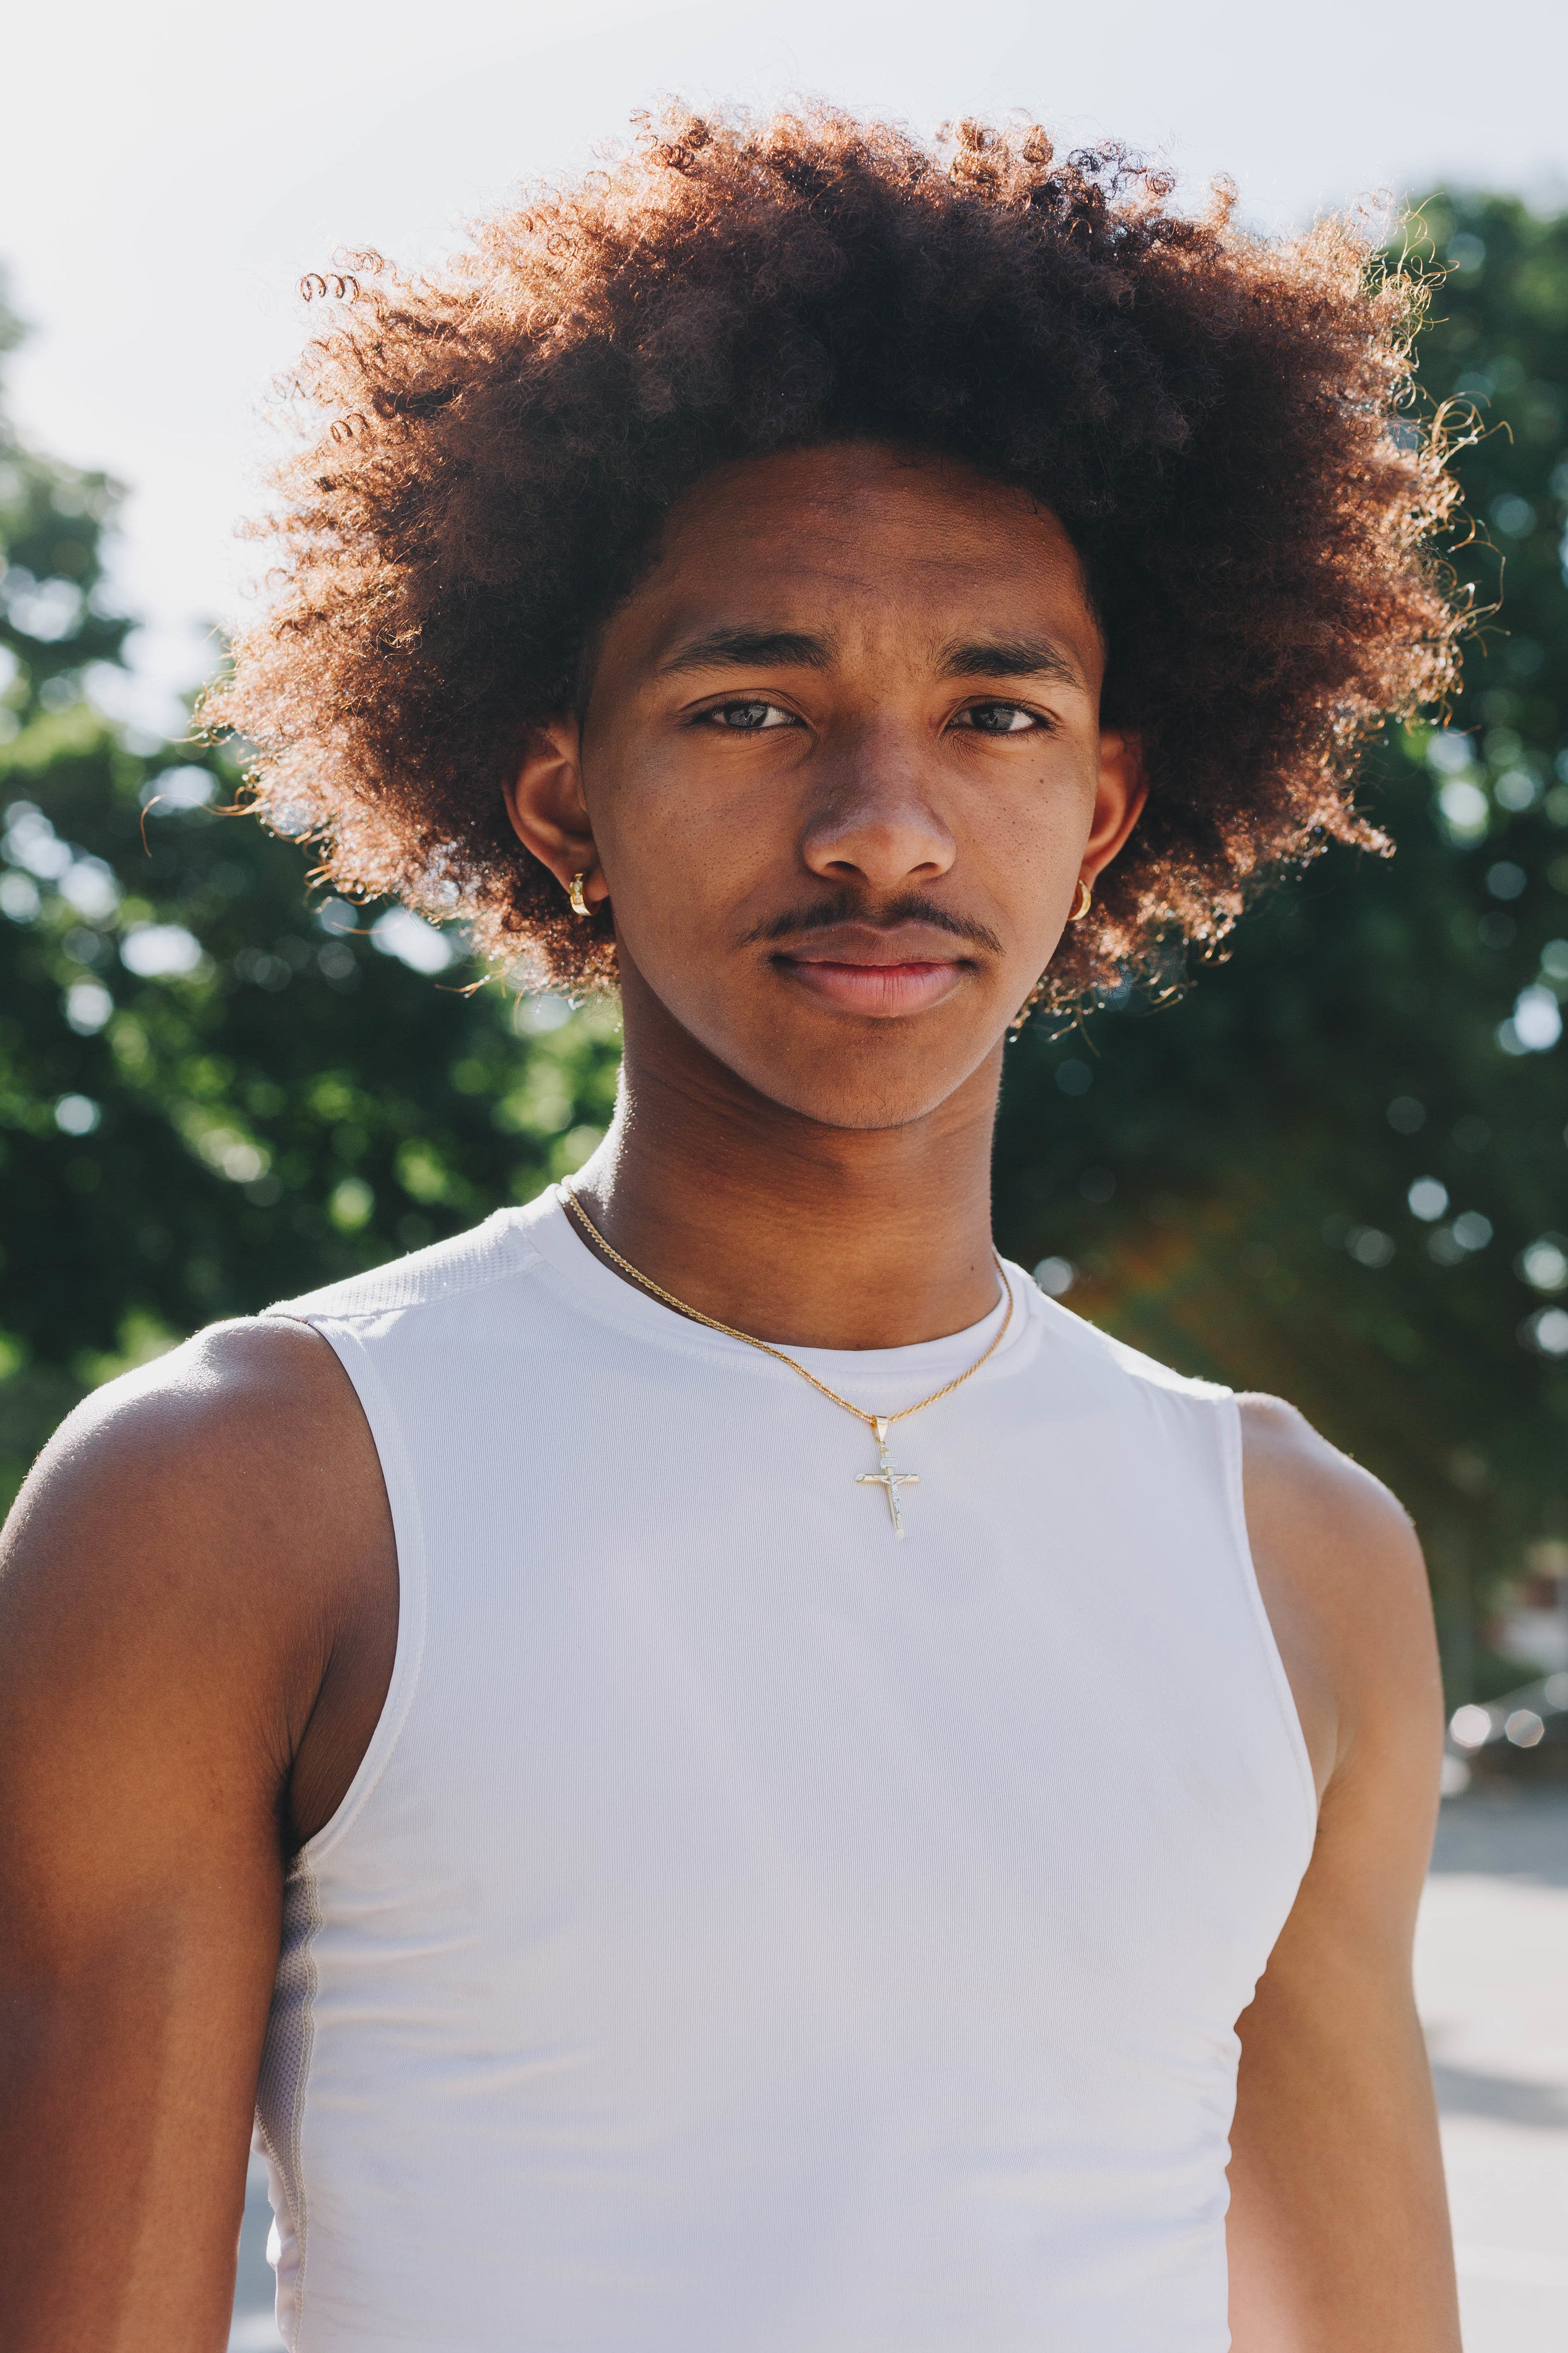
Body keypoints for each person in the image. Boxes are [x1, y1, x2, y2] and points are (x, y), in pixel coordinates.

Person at [0, 109, 1466, 2352]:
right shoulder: (238, 1497)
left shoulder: (1300, 1556)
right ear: (563, 795)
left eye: (992, 711)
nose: (880, 826)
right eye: (749, 704)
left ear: (1102, 811)